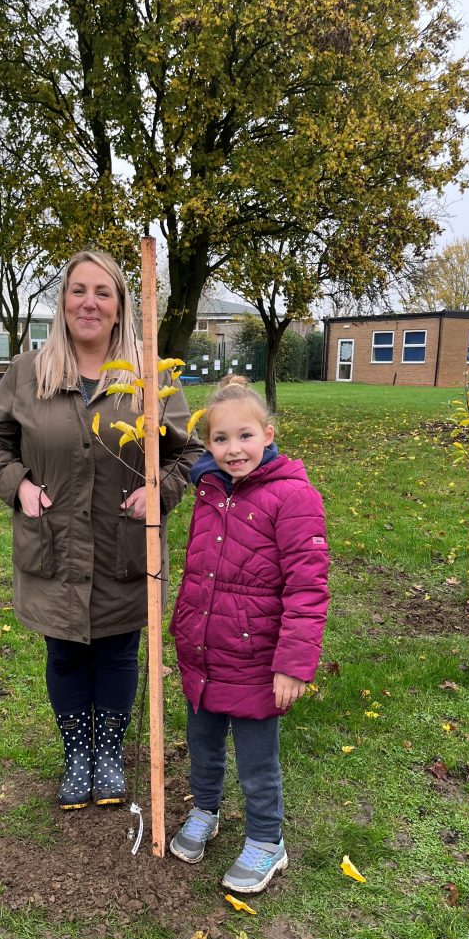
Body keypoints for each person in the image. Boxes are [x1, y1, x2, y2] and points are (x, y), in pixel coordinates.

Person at [0, 249, 202, 810]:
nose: (90, 303)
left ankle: (108, 753)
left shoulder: (149, 377)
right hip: (54, 544)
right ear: (64, 301)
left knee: (119, 650)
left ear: (122, 305)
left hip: (124, 544)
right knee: (67, 652)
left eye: (103, 292)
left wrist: (161, 490)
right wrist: (20, 485)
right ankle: (78, 755)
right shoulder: (30, 372)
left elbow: (188, 450)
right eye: (79, 290)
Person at [169, 374, 329, 893]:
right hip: (205, 650)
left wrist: (292, 663)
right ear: (207, 444)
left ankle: (266, 840)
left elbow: (308, 587)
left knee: (257, 760)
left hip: (260, 660)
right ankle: (205, 810)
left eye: (244, 436)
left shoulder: (293, 497)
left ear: (268, 434)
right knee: (203, 743)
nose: (233, 450)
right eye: (220, 439)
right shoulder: (210, 489)